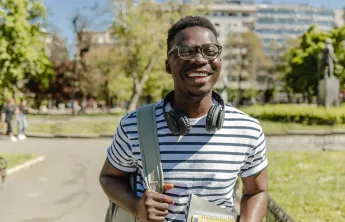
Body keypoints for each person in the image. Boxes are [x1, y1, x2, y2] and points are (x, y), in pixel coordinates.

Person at [99, 16, 268, 222]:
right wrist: (136, 206)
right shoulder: (134, 125)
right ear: (168, 65)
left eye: (210, 51)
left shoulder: (247, 130)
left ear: (219, 61)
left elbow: (256, 192)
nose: (199, 59)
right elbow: (109, 177)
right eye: (186, 51)